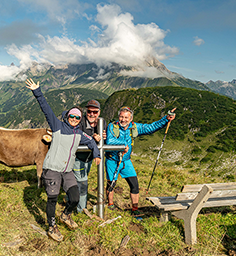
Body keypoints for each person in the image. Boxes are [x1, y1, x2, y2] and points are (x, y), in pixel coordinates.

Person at [25, 78, 101, 242]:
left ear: (80, 120)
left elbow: (91, 141)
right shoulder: (57, 126)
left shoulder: (79, 134)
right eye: (72, 116)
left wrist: (97, 154)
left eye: (77, 117)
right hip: (52, 170)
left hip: (67, 172)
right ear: (67, 116)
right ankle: (52, 226)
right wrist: (37, 92)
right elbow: (46, 109)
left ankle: (66, 215)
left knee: (74, 197)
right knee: (52, 198)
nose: (74, 118)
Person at [105, 106, 176, 216]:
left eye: (126, 117)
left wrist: (166, 119)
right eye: (121, 117)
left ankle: (135, 208)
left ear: (131, 118)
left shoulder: (134, 127)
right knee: (111, 183)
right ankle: (110, 205)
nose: (123, 119)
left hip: (126, 161)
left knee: (134, 184)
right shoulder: (112, 126)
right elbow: (110, 141)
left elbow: (151, 127)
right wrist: (123, 146)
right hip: (112, 160)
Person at [73, 99, 106, 213]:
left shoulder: (102, 123)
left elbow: (103, 141)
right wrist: (92, 138)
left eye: (95, 112)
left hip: (89, 159)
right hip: (78, 158)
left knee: (78, 181)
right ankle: (81, 210)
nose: (92, 114)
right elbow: (77, 138)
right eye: (89, 111)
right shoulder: (80, 122)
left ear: (99, 112)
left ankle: (69, 198)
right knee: (83, 182)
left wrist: (104, 138)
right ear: (86, 111)